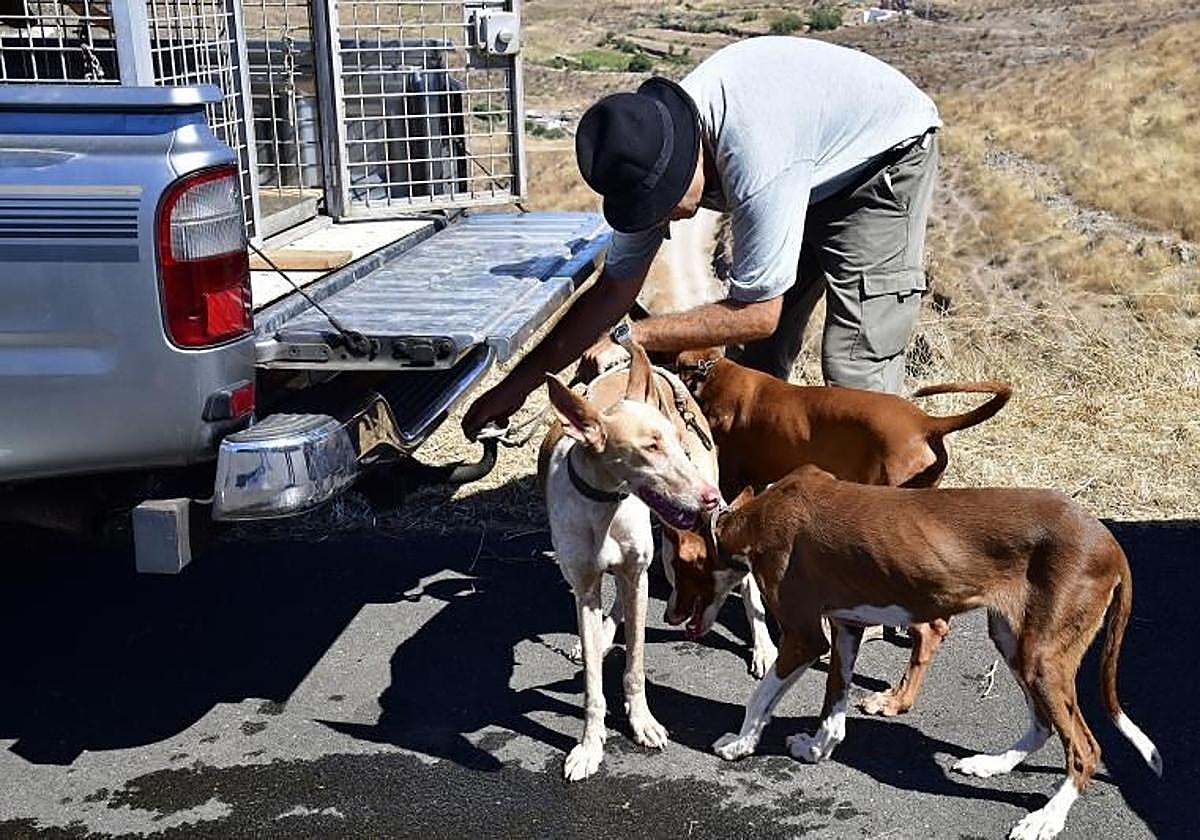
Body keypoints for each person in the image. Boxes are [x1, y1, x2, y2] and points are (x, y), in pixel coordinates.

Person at [462, 36, 941, 441]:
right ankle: (751, 491)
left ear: (690, 156)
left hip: (882, 159)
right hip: (807, 159)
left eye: (665, 199)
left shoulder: (755, 156)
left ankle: (875, 511)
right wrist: (518, 386)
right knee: (751, 373)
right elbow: (611, 292)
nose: (664, 217)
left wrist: (632, 337)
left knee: (854, 368)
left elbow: (758, 314)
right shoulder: (650, 146)